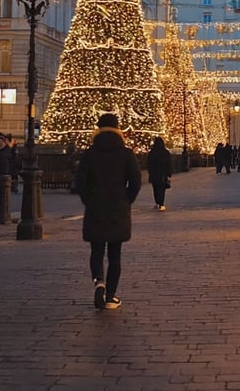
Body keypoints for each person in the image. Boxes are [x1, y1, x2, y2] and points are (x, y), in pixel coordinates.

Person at [73, 113, 141, 310]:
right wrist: (126, 199)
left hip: (96, 207)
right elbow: (136, 181)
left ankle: (98, 282)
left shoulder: (90, 153)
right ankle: (111, 296)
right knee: (115, 254)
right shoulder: (126, 153)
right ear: (118, 128)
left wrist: (88, 200)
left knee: (96, 251)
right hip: (118, 208)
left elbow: (80, 181)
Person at [147, 136, 172, 211]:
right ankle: (161, 203)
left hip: (154, 174)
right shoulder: (165, 152)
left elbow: (149, 163)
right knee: (162, 189)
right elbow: (168, 163)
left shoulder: (152, 153)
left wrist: (150, 172)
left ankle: (157, 202)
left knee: (155, 189)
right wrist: (168, 173)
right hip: (162, 174)